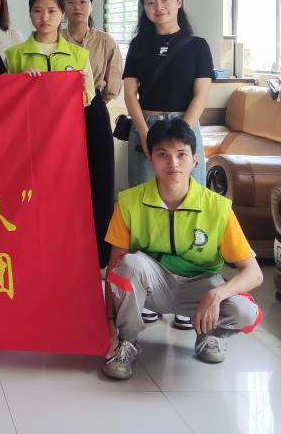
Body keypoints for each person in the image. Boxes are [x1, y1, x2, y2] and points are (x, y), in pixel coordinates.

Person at [102, 119, 263, 381]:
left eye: (181, 154)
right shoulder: (129, 202)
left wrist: (217, 294)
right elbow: (114, 270)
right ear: (150, 159)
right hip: (153, 285)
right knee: (128, 265)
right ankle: (126, 341)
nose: (173, 163)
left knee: (244, 312)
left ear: (195, 160)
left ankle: (208, 334)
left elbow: (254, 273)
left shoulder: (217, 207)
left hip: (200, 287)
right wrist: (109, 324)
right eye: (163, 154)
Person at [123, 0, 213, 188]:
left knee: (190, 195)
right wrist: (144, 133)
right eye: (150, 2)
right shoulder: (138, 44)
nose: (158, 7)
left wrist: (182, 132)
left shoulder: (198, 46)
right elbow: (130, 94)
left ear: (179, 2)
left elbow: (201, 95)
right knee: (144, 194)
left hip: (185, 123)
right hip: (146, 124)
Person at [63, 0, 122, 269]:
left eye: (83, 1)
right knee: (64, 181)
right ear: (63, 7)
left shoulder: (105, 41)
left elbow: (113, 86)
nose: (77, 7)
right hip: (59, 115)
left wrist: (93, 103)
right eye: (71, 1)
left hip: (93, 110)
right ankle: (66, 247)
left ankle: (99, 252)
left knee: (100, 180)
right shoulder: (55, 39)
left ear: (92, 6)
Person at [4, 0, 95, 105]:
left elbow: (89, 97)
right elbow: (5, 98)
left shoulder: (79, 55)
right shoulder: (13, 55)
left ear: (62, 14)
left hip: (65, 118)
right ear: (30, 14)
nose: (44, 18)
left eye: (51, 11)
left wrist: (79, 92)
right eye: (37, 11)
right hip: (30, 117)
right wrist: (20, 83)